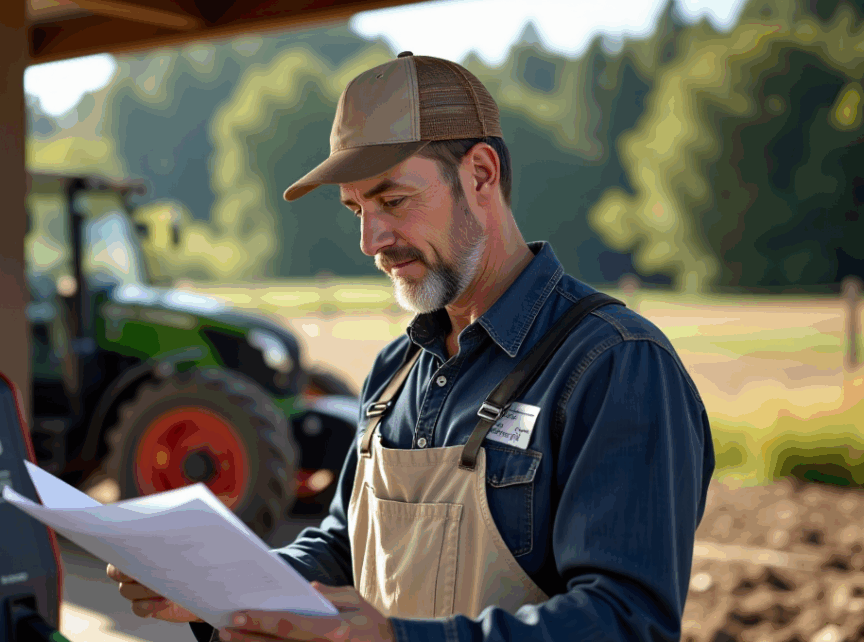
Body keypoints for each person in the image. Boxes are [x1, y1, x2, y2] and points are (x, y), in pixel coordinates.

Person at [108, 51, 716, 642]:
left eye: (393, 200)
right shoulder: (398, 370)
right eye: (356, 209)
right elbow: (348, 548)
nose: (372, 240)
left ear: (481, 174)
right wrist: (219, 588)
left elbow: (625, 621)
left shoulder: (614, 365)